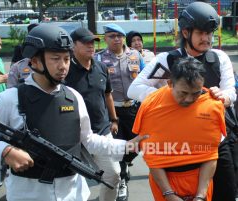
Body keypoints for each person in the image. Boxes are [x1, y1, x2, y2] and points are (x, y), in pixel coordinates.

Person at [0, 24, 146, 201]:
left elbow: (89, 140)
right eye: (55, 59)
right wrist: (5, 151)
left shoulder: (74, 97)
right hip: (29, 195)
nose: (63, 66)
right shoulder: (10, 99)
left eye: (67, 59)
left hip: (73, 194)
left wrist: (128, 145)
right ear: (35, 61)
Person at [127, 2, 236, 201]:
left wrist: (224, 96)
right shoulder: (167, 60)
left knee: (227, 191)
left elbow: (231, 90)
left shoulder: (219, 58)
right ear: (186, 33)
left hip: (215, 141)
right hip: (178, 144)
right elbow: (134, 89)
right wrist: (171, 96)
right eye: (201, 33)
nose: (207, 38)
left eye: (210, 33)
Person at [132, 57, 226, 201]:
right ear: (170, 83)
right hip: (164, 182)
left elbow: (211, 154)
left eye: (195, 93)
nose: (189, 99)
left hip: (200, 180)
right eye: (183, 93)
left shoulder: (212, 105)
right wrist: (168, 194)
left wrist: (200, 196)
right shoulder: (151, 106)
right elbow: (152, 157)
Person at [65, 27, 120, 201]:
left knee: (113, 175)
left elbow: (107, 94)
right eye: (86, 42)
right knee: (70, 181)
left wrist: (113, 119)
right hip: (73, 135)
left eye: (93, 42)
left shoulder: (101, 67)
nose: (91, 46)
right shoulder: (65, 71)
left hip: (102, 131)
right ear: (74, 45)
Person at [95, 23, 144, 201]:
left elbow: (146, 77)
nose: (116, 39)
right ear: (105, 38)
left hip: (133, 107)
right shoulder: (98, 58)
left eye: (119, 36)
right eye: (111, 36)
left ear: (124, 38)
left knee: (137, 143)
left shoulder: (135, 55)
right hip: (112, 109)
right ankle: (122, 178)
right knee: (117, 147)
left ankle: (126, 162)